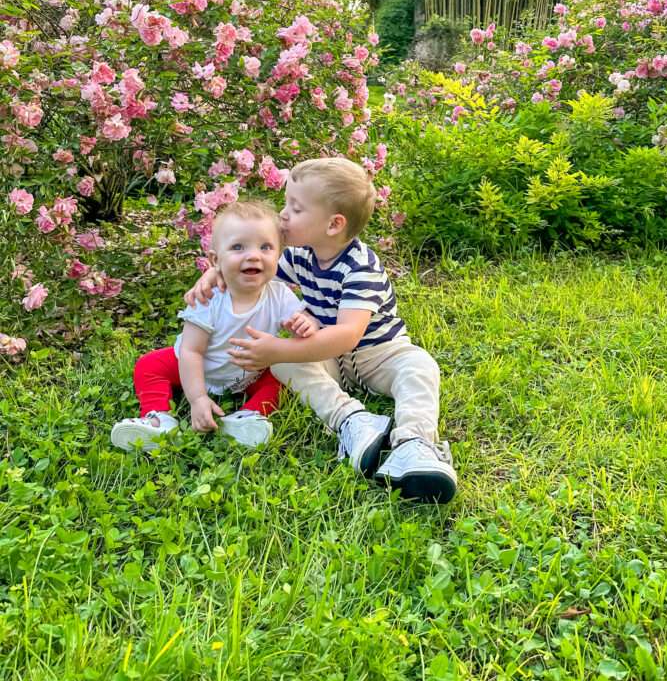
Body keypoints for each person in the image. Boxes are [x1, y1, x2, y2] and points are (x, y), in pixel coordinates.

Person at [186, 157, 457, 503]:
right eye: (286, 205)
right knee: (284, 366)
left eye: (295, 209)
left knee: (418, 366)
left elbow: (347, 335)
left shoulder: (361, 267)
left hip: (379, 353)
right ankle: (354, 423)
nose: (283, 215)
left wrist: (278, 349)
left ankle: (414, 444)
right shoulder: (299, 254)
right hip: (327, 357)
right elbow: (257, 271)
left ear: (333, 225)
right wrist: (216, 274)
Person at [111, 199, 316, 452]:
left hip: (248, 374)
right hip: (196, 369)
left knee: (284, 376)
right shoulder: (208, 298)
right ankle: (159, 419)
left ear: (279, 254)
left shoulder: (279, 294)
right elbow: (191, 351)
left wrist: (305, 324)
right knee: (149, 365)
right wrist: (197, 399)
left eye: (265, 246)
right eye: (238, 247)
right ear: (215, 260)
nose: (253, 255)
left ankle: (247, 417)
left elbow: (303, 317)